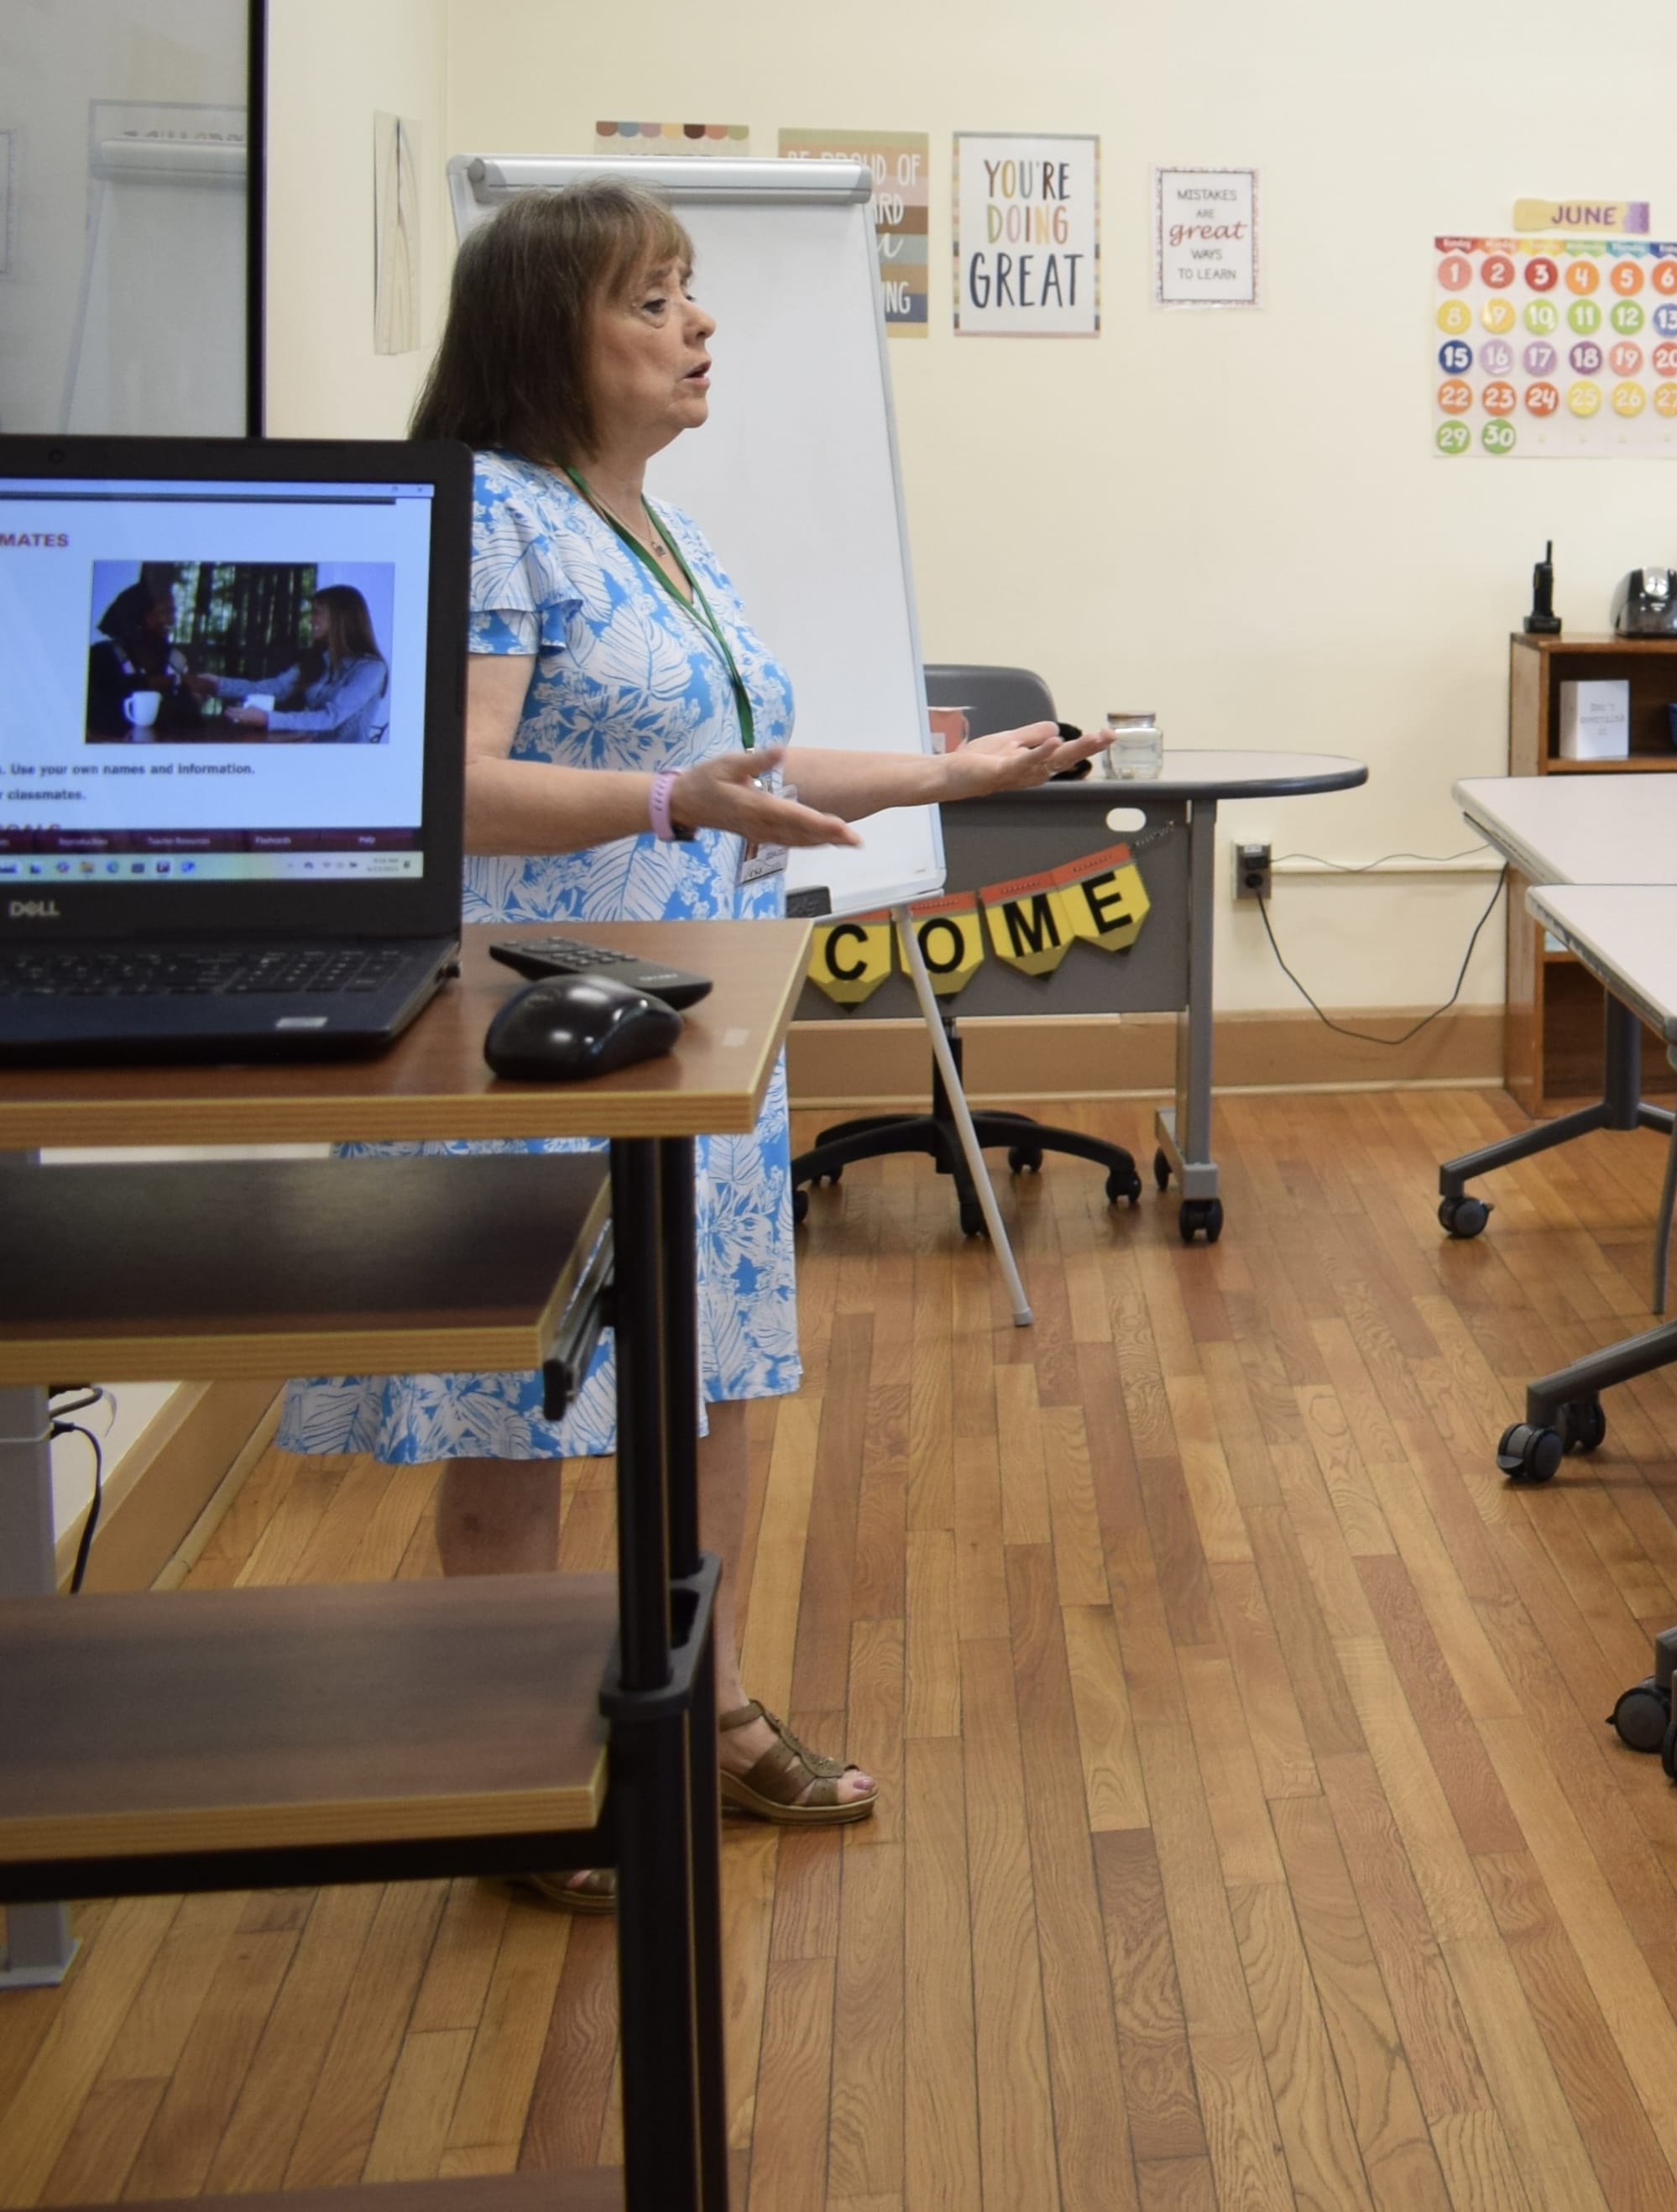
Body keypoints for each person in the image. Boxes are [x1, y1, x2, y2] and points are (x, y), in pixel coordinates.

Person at [279, 180, 1092, 1908]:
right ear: (543, 337)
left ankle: (710, 1716)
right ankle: (519, 1769)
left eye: (691, 294)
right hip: (527, 1031)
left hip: (699, 1026)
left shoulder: (654, 522)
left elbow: (749, 776)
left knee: (707, 1378)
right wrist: (659, 794)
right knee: (521, 1405)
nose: (696, 324)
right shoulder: (495, 514)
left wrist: (955, 775)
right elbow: (451, 775)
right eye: (652, 301)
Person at [220, 581, 390, 740]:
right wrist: (217, 685)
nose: (310, 620)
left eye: (317, 612)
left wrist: (267, 718)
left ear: (340, 618)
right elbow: (276, 687)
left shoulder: (372, 669)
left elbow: (330, 717)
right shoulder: (318, 659)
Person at [83, 576, 181, 740]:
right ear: (138, 617)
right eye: (165, 612)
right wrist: (169, 682)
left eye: (173, 612)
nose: (173, 620)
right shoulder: (101, 656)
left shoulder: (174, 659)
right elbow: (101, 714)